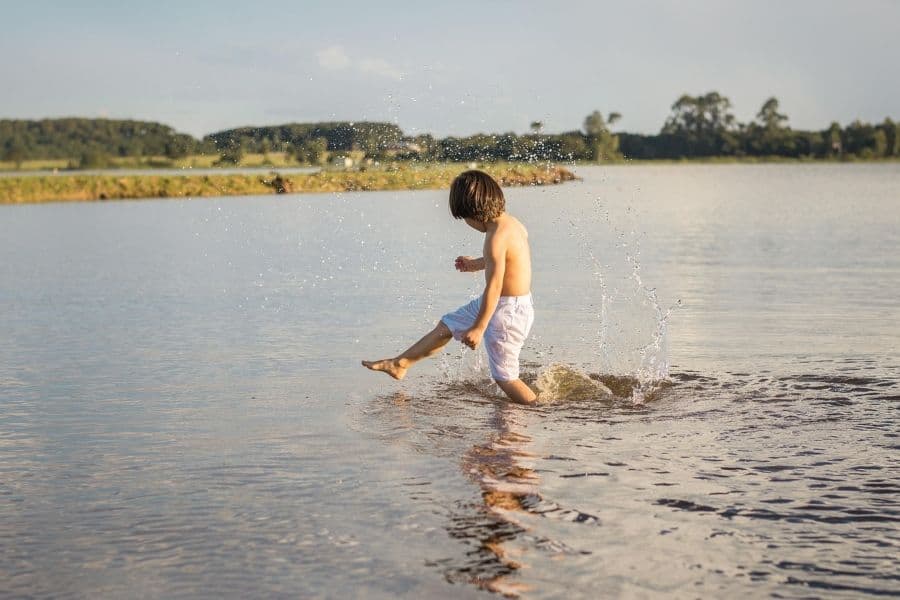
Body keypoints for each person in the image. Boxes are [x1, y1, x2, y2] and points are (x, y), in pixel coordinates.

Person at [362, 170, 536, 404]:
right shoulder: (512, 225)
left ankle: (537, 410)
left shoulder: (495, 238)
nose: (467, 224)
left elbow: (494, 286)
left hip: (506, 311)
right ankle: (399, 364)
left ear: (475, 213)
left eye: (465, 218)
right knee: (448, 325)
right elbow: (507, 261)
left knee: (505, 377)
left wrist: (478, 327)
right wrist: (475, 264)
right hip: (510, 304)